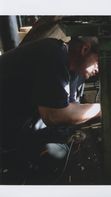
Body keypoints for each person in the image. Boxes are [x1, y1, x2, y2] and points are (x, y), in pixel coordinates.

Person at [0, 36, 101, 179]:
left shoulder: (77, 73)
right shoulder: (53, 53)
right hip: (7, 131)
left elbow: (72, 112)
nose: (99, 69)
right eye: (98, 61)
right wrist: (103, 109)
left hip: (20, 127)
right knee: (56, 157)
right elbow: (54, 116)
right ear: (85, 49)